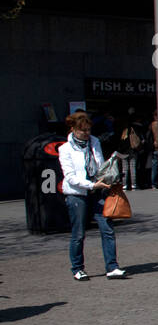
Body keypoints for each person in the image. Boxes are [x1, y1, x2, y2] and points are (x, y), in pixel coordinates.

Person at [59, 112, 127, 280]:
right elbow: (70, 177)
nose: (87, 133)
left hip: (98, 191)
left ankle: (112, 266)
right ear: (73, 129)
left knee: (107, 227)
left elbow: (99, 164)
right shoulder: (65, 149)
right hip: (78, 193)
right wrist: (91, 185)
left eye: (88, 130)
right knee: (79, 233)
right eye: (83, 131)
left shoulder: (94, 142)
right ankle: (77, 268)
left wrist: (107, 176)